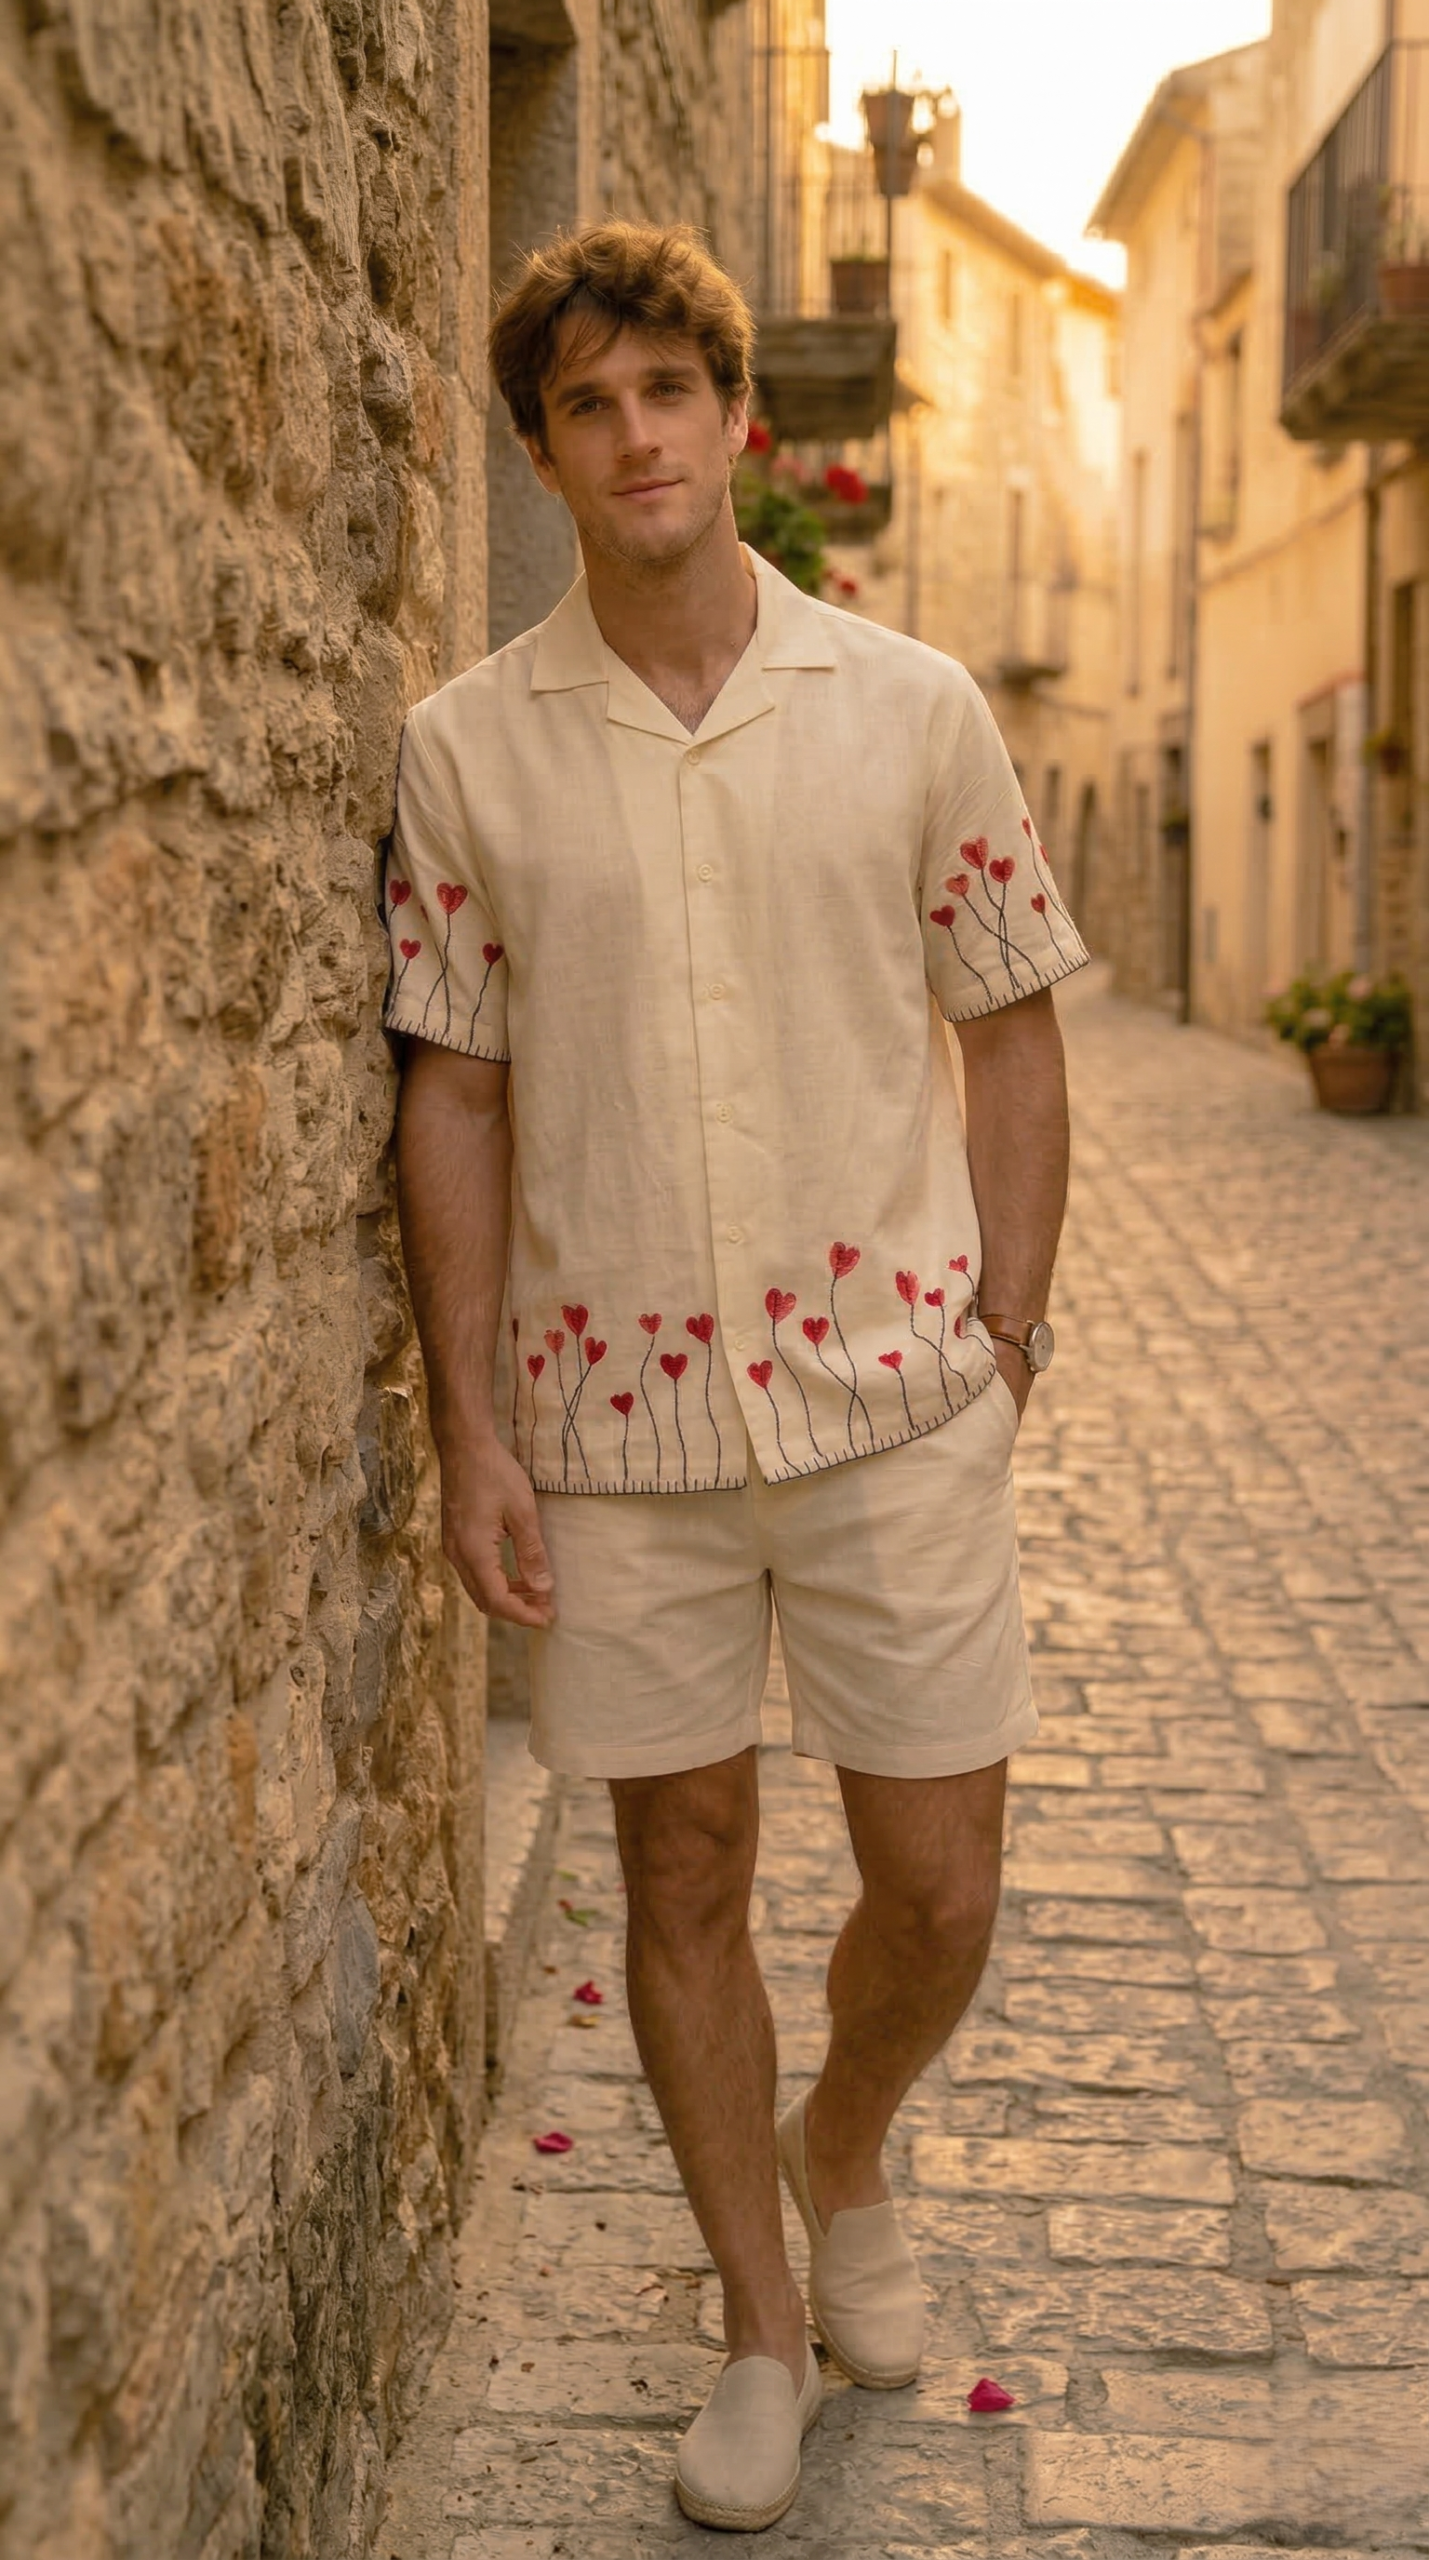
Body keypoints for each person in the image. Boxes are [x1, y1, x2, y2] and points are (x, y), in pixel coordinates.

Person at [383, 220, 1085, 2535]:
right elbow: (455, 1094)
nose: (640, 433)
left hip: (894, 1399)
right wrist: (474, 1421)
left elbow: (1010, 1015)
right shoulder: (466, 750)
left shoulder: (914, 707)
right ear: (547, 454)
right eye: (589, 406)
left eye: (672, 386)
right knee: (677, 1865)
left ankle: (846, 2138)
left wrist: (1004, 1330)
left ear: (737, 415)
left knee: (946, 1882)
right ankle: (760, 2324)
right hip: (620, 1435)